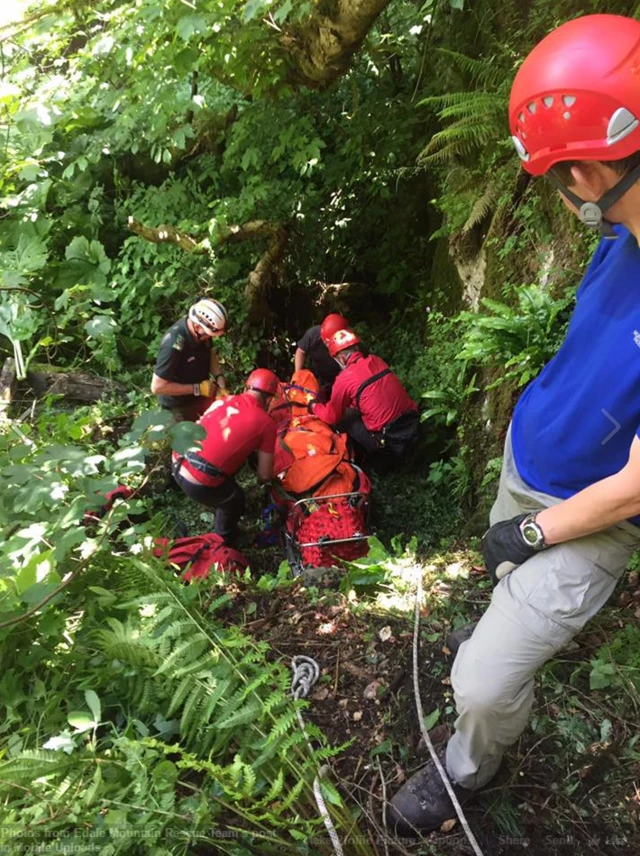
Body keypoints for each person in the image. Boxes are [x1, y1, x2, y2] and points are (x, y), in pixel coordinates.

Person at [388, 13, 640, 835]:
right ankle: (505, 607)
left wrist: (534, 537)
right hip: (531, 452)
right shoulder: (621, 237)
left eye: (559, 177)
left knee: (486, 683)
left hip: (593, 514)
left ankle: (466, 770)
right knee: (502, 585)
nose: (559, 194)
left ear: (596, 169)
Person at [172, 368, 279, 545]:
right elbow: (265, 475)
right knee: (235, 499)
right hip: (198, 483)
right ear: (269, 399)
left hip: (177, 460)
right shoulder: (266, 423)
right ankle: (225, 538)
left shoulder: (224, 400)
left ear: (246, 389)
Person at [309, 329, 418, 466]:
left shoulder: (344, 379)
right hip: (412, 421)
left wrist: (314, 406)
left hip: (389, 439)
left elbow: (331, 416)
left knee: (344, 418)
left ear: (341, 358)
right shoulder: (377, 360)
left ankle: (361, 459)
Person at [151, 298, 229, 422]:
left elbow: (210, 353)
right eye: (209, 335)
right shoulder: (173, 344)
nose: (209, 338)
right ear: (197, 326)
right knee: (187, 439)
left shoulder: (204, 333)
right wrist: (197, 389)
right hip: (177, 406)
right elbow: (157, 387)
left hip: (201, 396)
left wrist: (220, 381)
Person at [294, 313, 349, 397]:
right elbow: (300, 351)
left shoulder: (347, 340)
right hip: (318, 378)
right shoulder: (313, 334)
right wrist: (298, 374)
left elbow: (350, 365)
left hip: (341, 379)